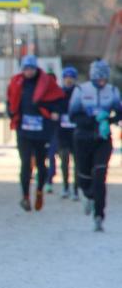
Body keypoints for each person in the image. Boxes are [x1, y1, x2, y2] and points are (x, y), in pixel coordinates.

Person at [67, 59, 121, 231]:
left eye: (104, 79)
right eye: (99, 79)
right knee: (84, 177)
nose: (102, 82)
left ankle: (99, 215)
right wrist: (92, 120)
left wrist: (108, 119)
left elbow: (119, 112)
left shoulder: (112, 91)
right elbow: (73, 116)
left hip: (102, 140)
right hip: (83, 139)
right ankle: (88, 195)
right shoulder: (81, 90)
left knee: (100, 175)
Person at [7, 55, 64, 212]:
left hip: (42, 131)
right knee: (25, 163)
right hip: (24, 130)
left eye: (31, 68)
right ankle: (25, 196)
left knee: (41, 163)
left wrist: (52, 112)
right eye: (25, 69)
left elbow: (59, 101)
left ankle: (39, 190)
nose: (28, 72)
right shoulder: (17, 82)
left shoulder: (47, 83)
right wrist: (12, 114)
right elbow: (10, 101)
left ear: (36, 69)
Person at [56, 66, 80, 200]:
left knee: (77, 162)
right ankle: (65, 186)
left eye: (71, 78)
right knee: (64, 160)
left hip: (76, 132)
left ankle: (76, 189)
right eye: (66, 77)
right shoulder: (59, 93)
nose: (69, 80)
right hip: (62, 132)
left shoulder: (79, 92)